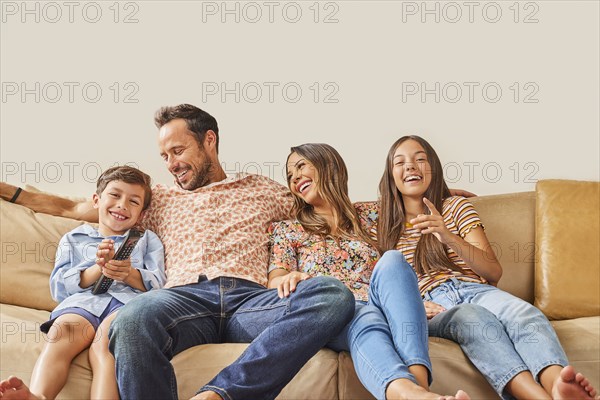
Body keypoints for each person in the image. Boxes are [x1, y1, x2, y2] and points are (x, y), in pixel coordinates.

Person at [0, 104, 355, 400]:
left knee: (332, 294)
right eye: (164, 156)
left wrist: (407, 214)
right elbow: (71, 207)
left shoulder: (263, 189)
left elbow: (326, 208)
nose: (170, 164)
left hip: (251, 302)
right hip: (183, 301)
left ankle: (220, 395)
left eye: (178, 151)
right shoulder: (157, 199)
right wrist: (11, 191)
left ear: (209, 141)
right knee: (133, 317)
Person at [375, 135, 599, 400]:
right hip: (432, 303)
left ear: (433, 169)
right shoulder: (381, 226)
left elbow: (493, 271)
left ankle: (559, 385)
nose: (411, 166)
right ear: (391, 177)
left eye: (420, 159)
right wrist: (410, 306)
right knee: (473, 320)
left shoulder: (456, 207)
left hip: (476, 289)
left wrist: (447, 235)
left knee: (524, 314)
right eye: (400, 162)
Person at [268, 143, 470, 400]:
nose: (295, 178)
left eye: (300, 166)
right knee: (366, 317)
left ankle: (419, 387)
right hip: (334, 309)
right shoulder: (288, 230)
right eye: (290, 176)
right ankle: (420, 396)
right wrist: (287, 277)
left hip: (380, 302)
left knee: (394, 260)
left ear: (329, 166)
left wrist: (446, 196)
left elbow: (409, 196)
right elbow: (275, 279)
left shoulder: (370, 214)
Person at [0, 166, 167, 400]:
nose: (122, 205)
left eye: (133, 201)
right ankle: (38, 397)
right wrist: (96, 269)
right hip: (84, 304)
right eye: (115, 195)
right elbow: (59, 286)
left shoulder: (148, 240)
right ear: (97, 200)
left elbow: (158, 284)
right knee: (61, 333)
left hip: (127, 306)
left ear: (141, 215)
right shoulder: (74, 238)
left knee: (106, 344)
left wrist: (127, 273)